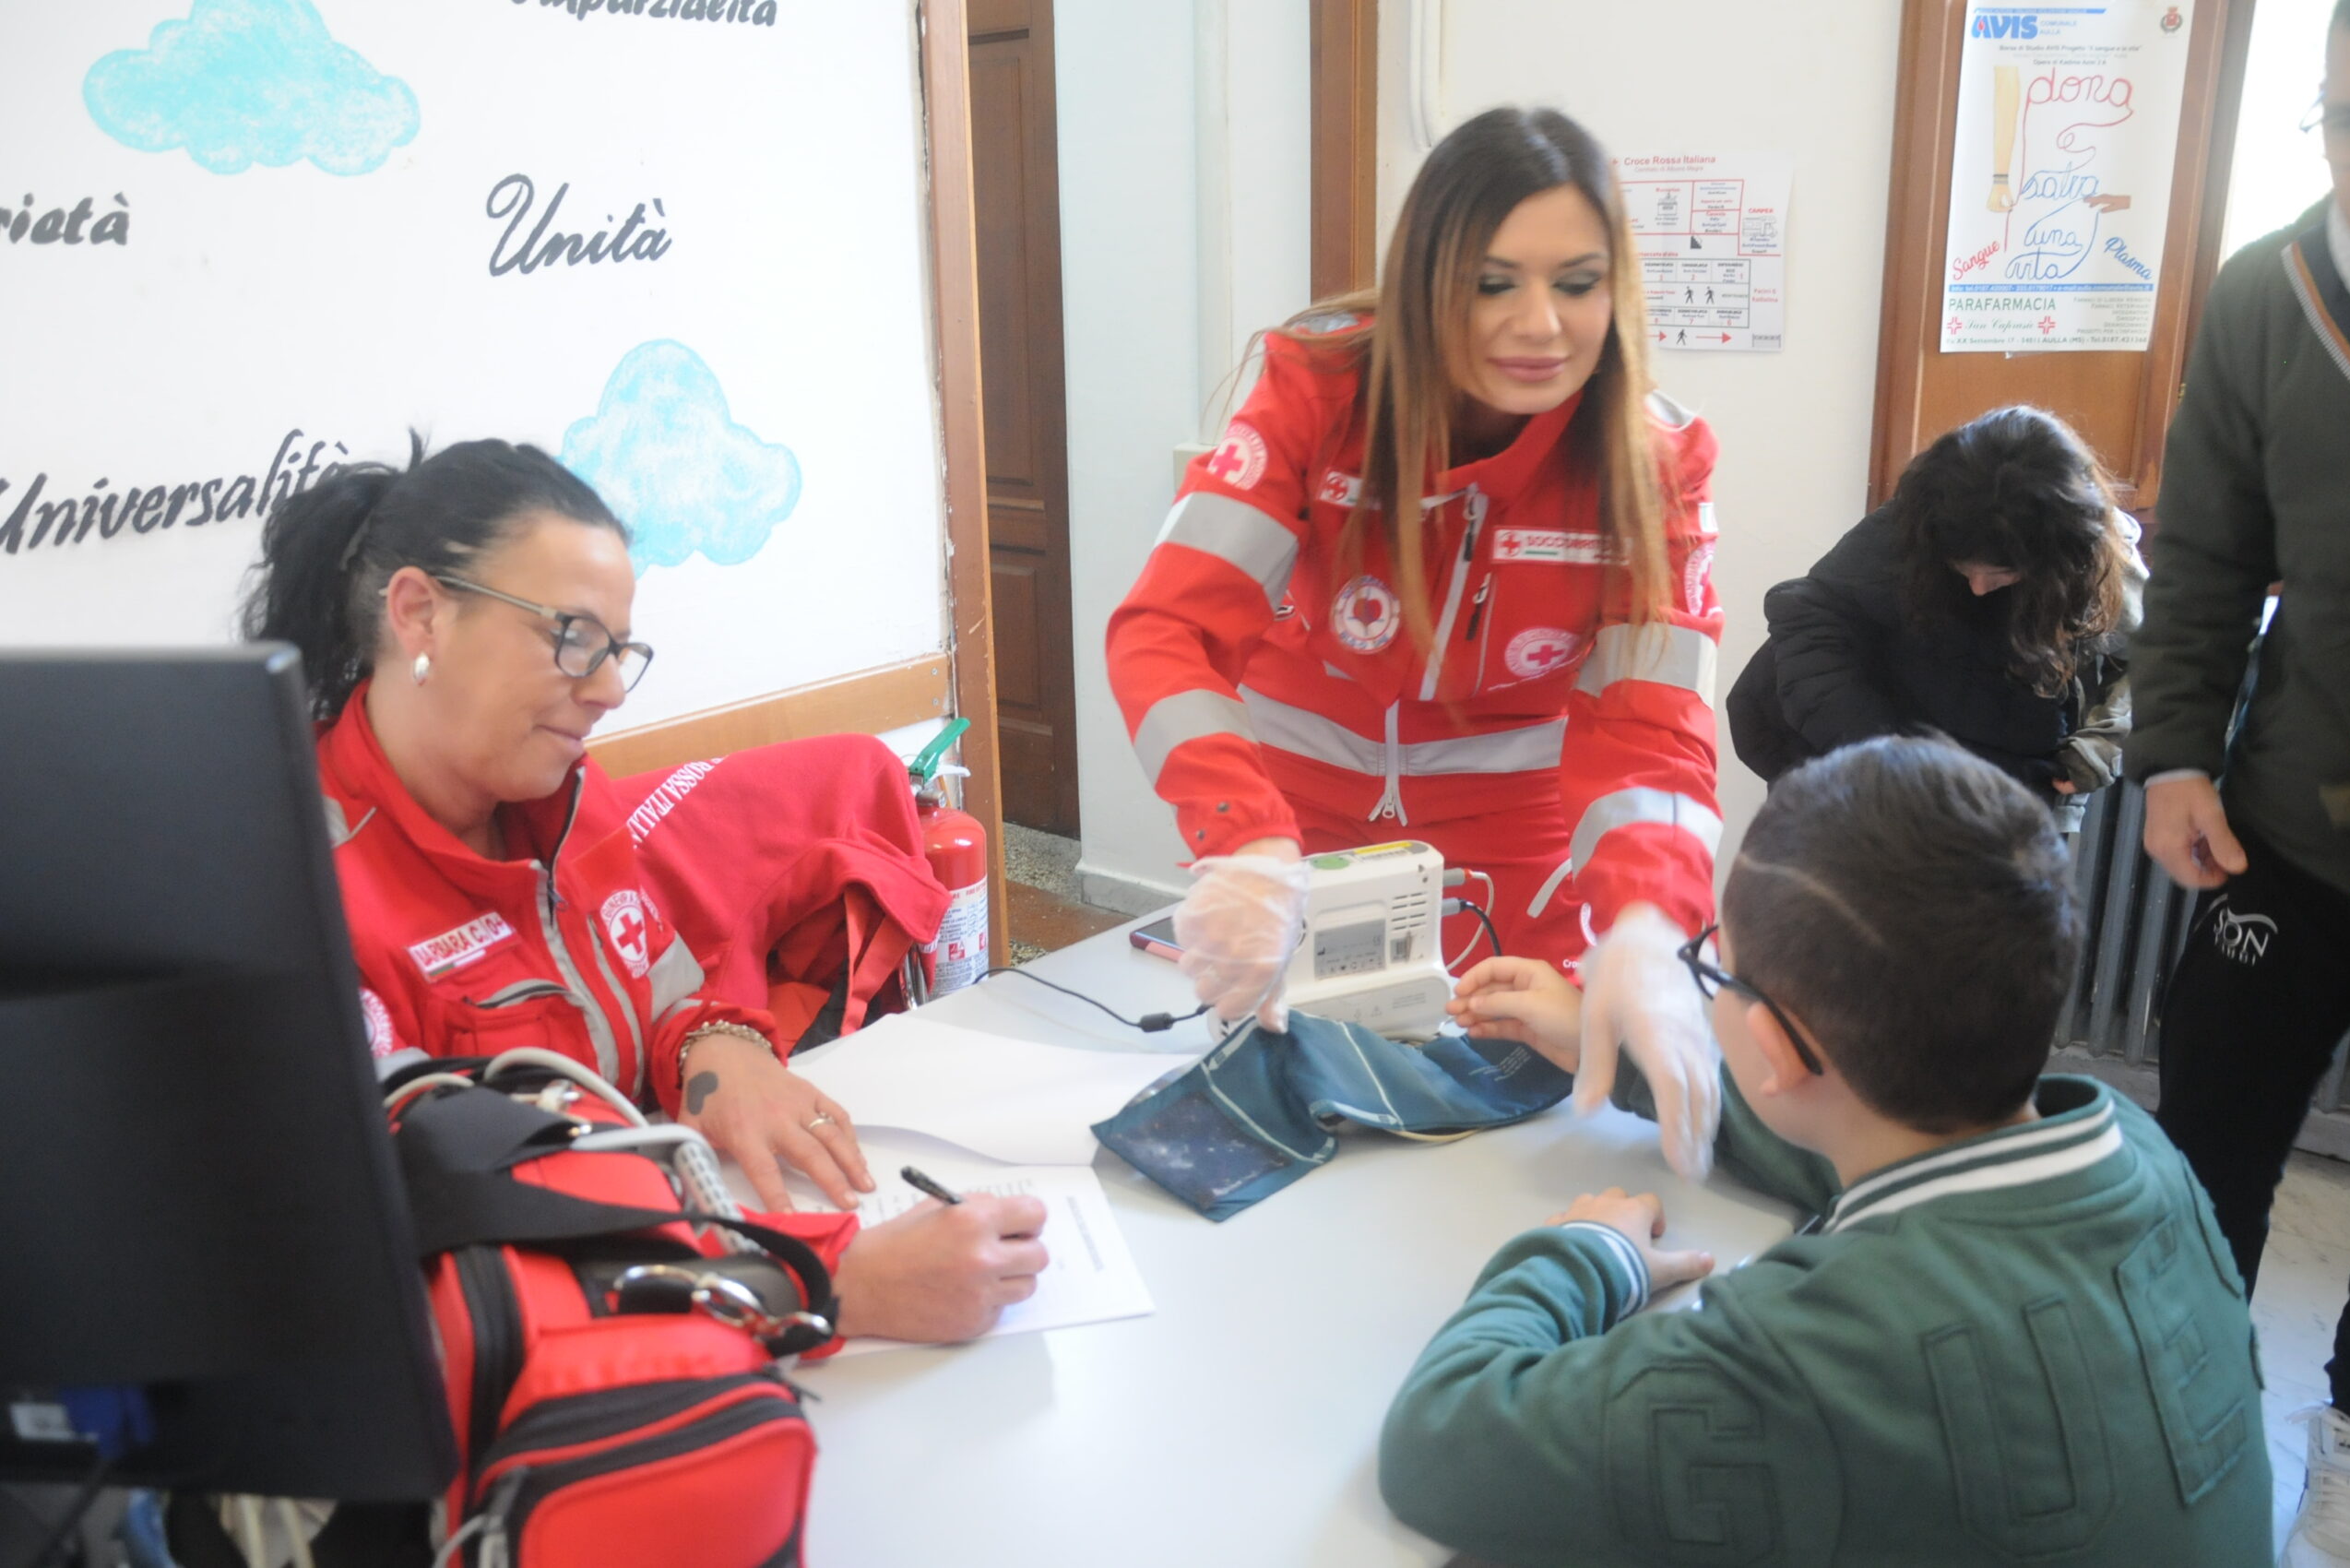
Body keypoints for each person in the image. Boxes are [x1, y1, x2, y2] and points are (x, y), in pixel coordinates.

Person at [1379, 736, 2269, 1565]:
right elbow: (1860, 1129)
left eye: (1711, 967)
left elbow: (1441, 1442)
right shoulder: (2132, 1142)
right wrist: (1647, 1069)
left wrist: (1591, 1253)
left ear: (1771, 1047)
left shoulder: (1818, 1350)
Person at [241, 434, 1045, 1344]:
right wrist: (826, 1284)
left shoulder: (562, 802)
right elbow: (422, 1263)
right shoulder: (294, 896)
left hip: (685, 1240)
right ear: (421, 613)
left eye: (620, 648)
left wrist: (724, 1047)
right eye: (574, 637)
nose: (613, 688)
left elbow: (664, 997)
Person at [1106, 107, 1724, 1177]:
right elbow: (1168, 628)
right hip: (1297, 849)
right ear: (1427, 277)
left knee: (1496, 1172)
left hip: (1520, 872)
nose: (1539, 323)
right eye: (1493, 282)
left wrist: (1647, 921)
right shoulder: (1319, 389)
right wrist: (1239, 834)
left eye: (1576, 282)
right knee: (1292, 1148)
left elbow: (1651, 730)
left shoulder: (1655, 460)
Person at [2130, 6, 2350, 1561]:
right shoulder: (2266, 295)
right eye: (2346, 116)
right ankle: (2186, 1425)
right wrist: (2170, 760)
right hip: (2283, 832)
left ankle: (2346, 1433)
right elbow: (2205, 558)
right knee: (2206, 1157)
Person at [1727, 404, 2142, 828]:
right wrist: (1895, 764)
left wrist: (2103, 744)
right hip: (1868, 786)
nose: (1979, 587)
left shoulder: (2097, 561)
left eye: (2001, 573)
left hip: (2003, 798)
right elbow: (1811, 623)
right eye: (1964, 567)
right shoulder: (1917, 525)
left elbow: (2151, 663)